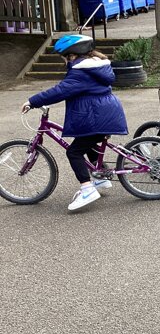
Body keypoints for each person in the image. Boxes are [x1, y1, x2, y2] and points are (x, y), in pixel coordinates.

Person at [20, 34, 128, 211]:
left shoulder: (80, 72)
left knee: (74, 152)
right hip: (105, 114)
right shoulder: (96, 66)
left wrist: (32, 101)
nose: (64, 61)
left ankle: (87, 190)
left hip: (97, 117)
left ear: (72, 55)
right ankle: (101, 177)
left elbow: (60, 90)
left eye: (64, 57)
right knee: (87, 143)